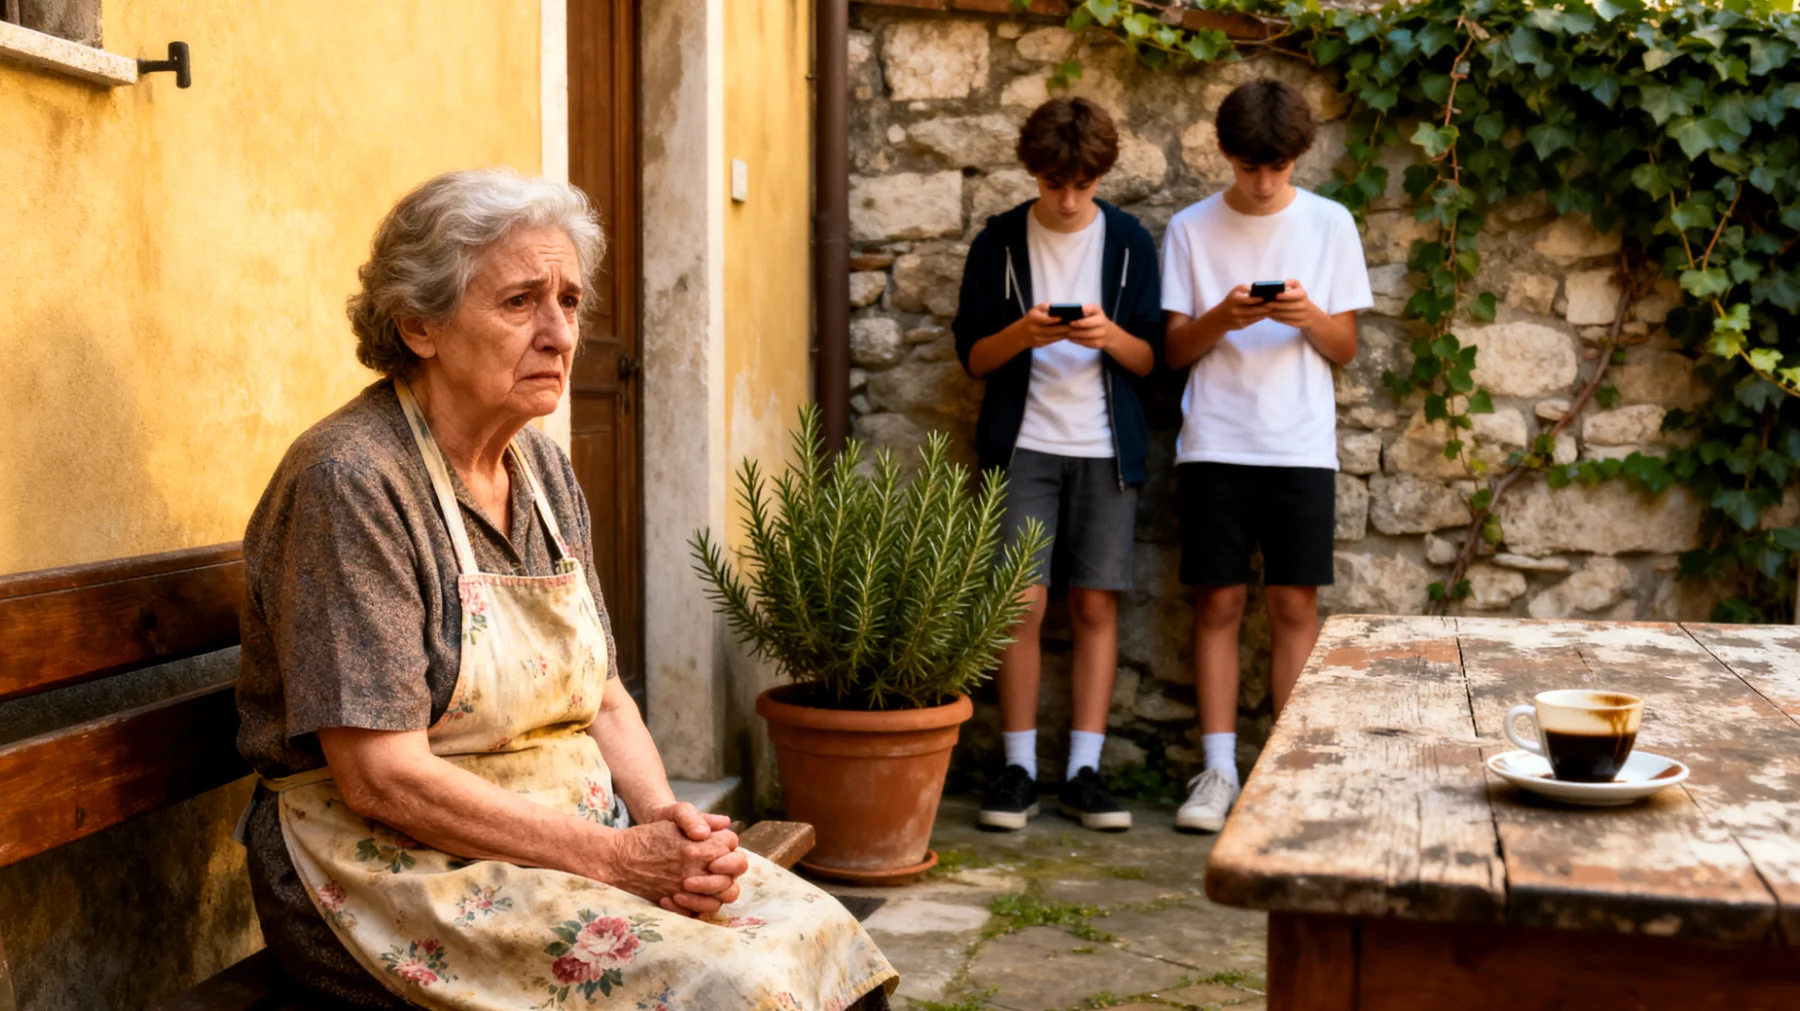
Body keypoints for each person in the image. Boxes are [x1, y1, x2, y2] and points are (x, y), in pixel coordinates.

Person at [234, 168, 897, 1010]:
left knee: (829, 941)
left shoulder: (541, 467)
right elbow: (381, 778)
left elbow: (603, 694)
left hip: (575, 846)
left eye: (571, 302)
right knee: (735, 987)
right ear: (419, 324)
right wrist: (617, 860)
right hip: (393, 869)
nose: (559, 334)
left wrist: (662, 821)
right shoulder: (353, 481)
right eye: (520, 302)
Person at [1161, 79, 1372, 833]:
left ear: (1297, 158)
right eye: (1251, 167)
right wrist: (1224, 314)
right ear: (1225, 154)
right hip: (1215, 441)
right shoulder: (1190, 228)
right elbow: (1173, 349)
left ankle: (1287, 768)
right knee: (1217, 602)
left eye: (1277, 168)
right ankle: (1217, 768)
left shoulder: (1330, 222)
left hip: (1300, 445)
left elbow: (1344, 346)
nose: (1263, 182)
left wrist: (1306, 313)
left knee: (1294, 605)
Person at [952, 98, 1163, 833]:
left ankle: (1085, 770)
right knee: (1022, 605)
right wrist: (1023, 331)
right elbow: (975, 357)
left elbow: (1151, 359)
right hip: (1025, 446)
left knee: (1098, 603)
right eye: (1052, 184)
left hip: (1107, 447)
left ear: (1100, 175)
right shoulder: (1001, 242)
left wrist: (1106, 334)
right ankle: (1017, 770)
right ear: (1033, 174)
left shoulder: (1131, 241)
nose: (1068, 200)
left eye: (1081, 185)